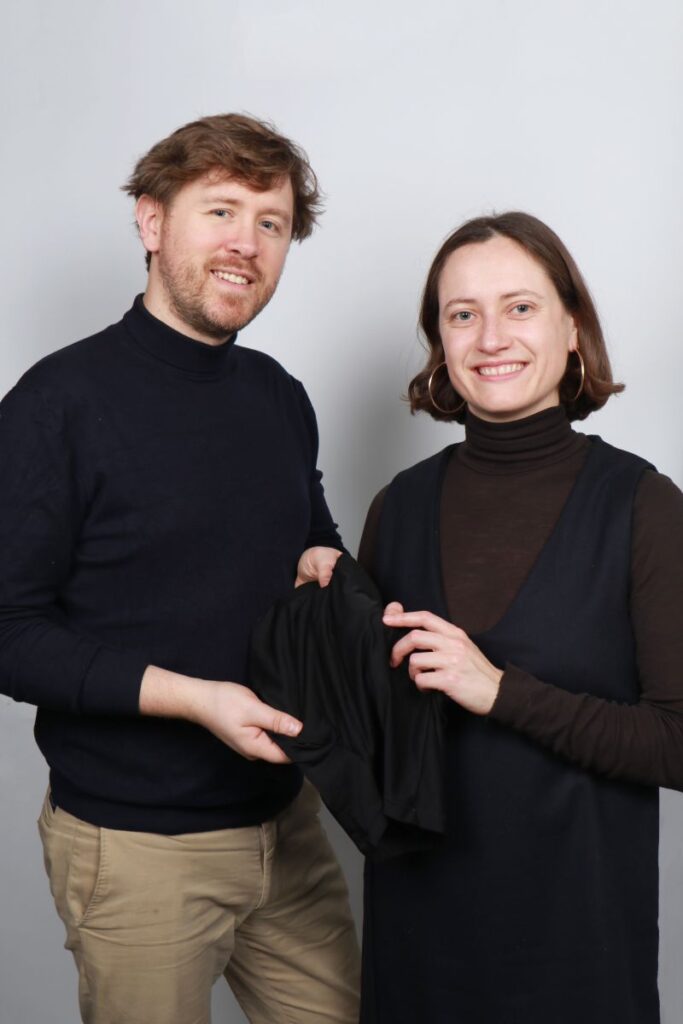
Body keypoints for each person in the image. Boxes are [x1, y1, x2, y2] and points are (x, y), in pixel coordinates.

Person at [0, 113, 359, 1024]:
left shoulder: (278, 395)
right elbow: (8, 633)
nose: (247, 243)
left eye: (271, 223)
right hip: (136, 846)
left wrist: (327, 565)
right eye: (221, 211)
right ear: (152, 221)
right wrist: (195, 699)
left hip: (287, 820)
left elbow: (311, 538)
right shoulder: (55, 405)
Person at [357, 211, 683, 1024]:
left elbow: (678, 743)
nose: (490, 337)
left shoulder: (642, 506)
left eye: (520, 307)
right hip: (418, 949)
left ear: (571, 329)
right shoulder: (397, 509)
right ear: (440, 343)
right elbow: (364, 734)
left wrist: (499, 692)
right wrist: (315, 618)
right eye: (462, 314)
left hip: (577, 956)